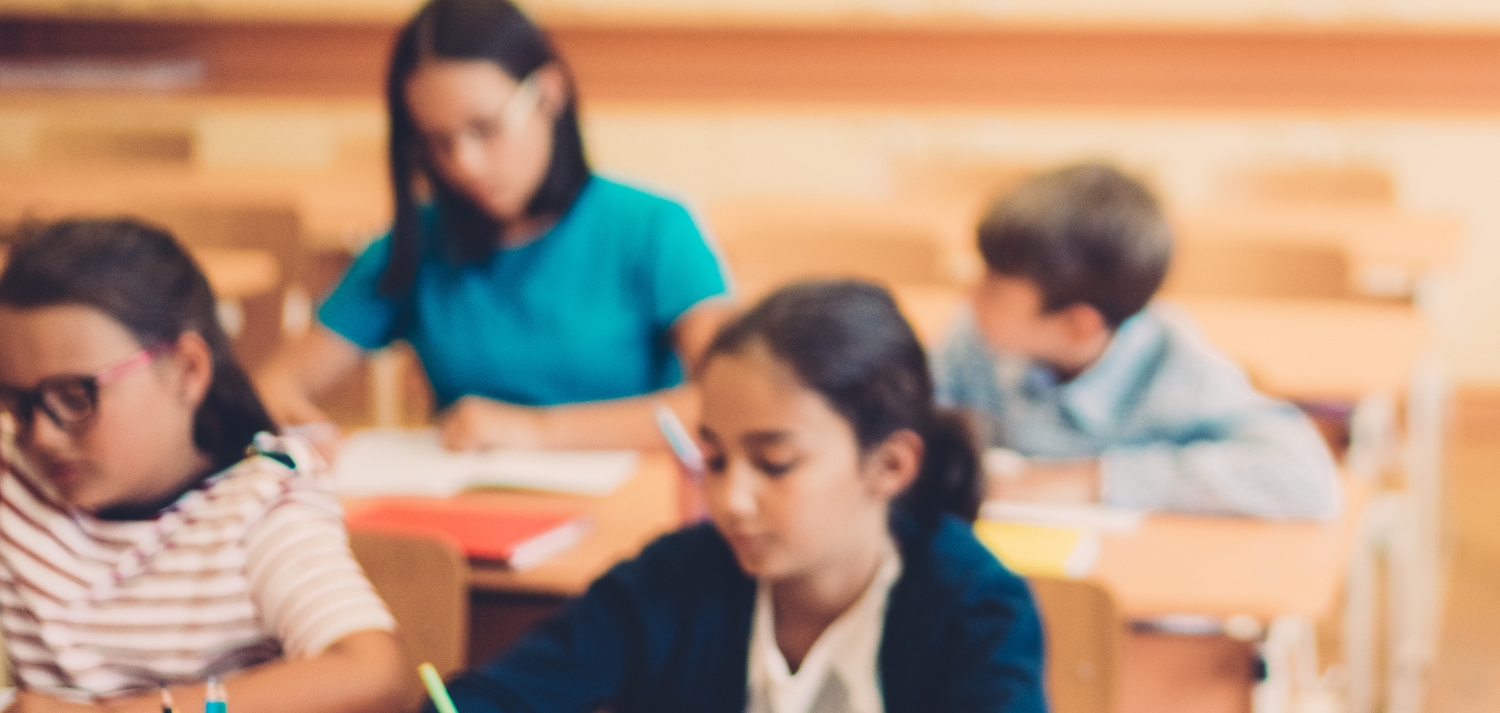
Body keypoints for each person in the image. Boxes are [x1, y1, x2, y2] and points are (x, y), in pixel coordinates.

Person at [0, 219, 407, 713]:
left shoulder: (263, 497)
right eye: (18, 401)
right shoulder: (4, 464)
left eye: (75, 396)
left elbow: (376, 675)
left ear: (187, 370)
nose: (42, 435)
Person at [441, 279, 1047, 713]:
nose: (731, 500)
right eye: (716, 459)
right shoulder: (672, 579)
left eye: (775, 464)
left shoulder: (976, 611)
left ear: (889, 465)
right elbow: (498, 695)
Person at [258, 0, 735, 450]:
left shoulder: (654, 228)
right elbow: (276, 385)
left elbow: (728, 404)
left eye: (484, 129)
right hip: (465, 512)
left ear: (549, 95)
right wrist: (296, 421)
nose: (464, 165)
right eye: (437, 142)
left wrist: (537, 431)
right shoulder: (418, 242)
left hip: (628, 510)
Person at [929, 162, 1340, 521]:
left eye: (994, 289)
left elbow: (1304, 479)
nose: (970, 294)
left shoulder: (1179, 369)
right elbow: (908, 420)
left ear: (1078, 325)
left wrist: (1093, 480)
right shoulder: (973, 339)